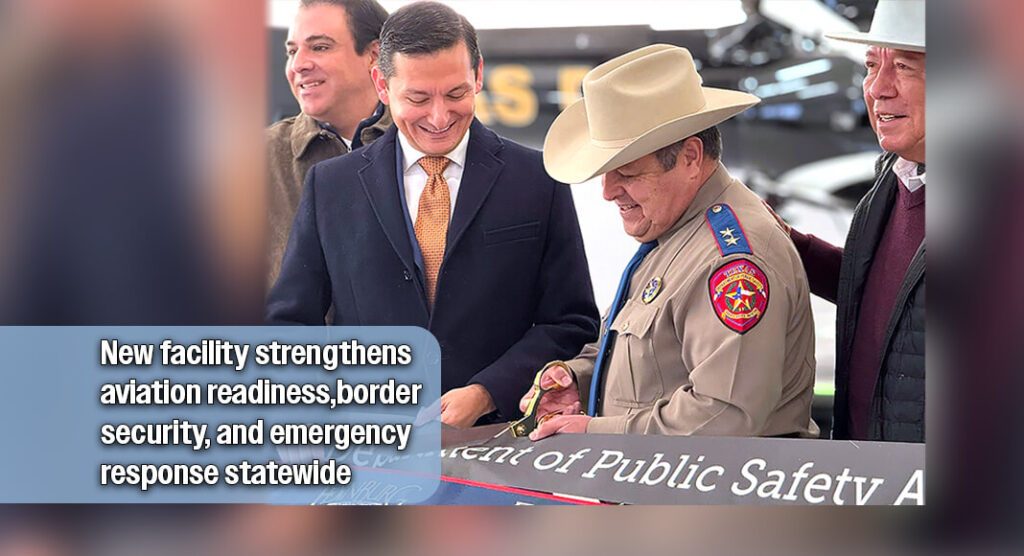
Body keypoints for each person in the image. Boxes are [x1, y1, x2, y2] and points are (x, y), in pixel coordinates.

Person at [266, 1, 599, 428]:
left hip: (500, 444)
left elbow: (572, 322)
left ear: (478, 75)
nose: (440, 117)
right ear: (382, 86)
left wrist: (486, 392)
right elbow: (291, 326)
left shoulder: (538, 178)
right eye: (418, 99)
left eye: (457, 94)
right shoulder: (331, 186)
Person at [523, 44, 818, 439]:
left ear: (691, 158)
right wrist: (578, 378)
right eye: (605, 173)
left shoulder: (731, 259)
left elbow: (723, 418)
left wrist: (594, 434)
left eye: (626, 172)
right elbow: (651, 363)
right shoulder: (677, 229)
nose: (608, 192)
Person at [778, 0, 924, 442]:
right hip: (868, 468)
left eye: (904, 66)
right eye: (870, 65)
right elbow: (886, 295)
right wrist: (783, 243)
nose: (878, 88)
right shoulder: (894, 176)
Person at [267, 0, 392, 286]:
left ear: (375, 55)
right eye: (292, 51)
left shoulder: (426, 147)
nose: (298, 65)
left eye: (319, 47)